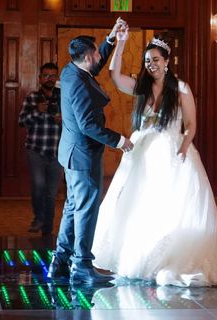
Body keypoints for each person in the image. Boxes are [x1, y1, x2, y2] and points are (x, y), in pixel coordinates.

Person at [91, 29, 217, 287]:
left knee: (171, 204)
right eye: (148, 60)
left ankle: (168, 256)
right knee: (139, 203)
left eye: (156, 59)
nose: (151, 64)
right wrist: (121, 44)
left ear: (167, 61)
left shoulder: (180, 88)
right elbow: (114, 76)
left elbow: (191, 124)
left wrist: (183, 148)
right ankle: (142, 253)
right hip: (142, 152)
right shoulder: (142, 87)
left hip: (172, 150)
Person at [47, 18, 134, 286]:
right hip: (82, 155)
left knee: (73, 207)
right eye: (96, 52)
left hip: (72, 154)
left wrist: (110, 38)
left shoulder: (71, 70)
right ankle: (82, 265)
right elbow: (88, 126)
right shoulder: (80, 84)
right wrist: (120, 141)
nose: (98, 56)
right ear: (86, 56)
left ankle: (61, 261)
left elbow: (94, 66)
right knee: (85, 209)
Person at [18, 62, 63, 236]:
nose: (50, 79)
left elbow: (76, 124)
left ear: (57, 78)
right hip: (36, 150)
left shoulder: (64, 98)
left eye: (53, 76)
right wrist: (37, 111)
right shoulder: (32, 98)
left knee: (51, 194)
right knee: (38, 186)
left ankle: (47, 227)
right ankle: (38, 217)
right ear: (40, 78)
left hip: (58, 151)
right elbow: (21, 122)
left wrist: (64, 120)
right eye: (46, 76)